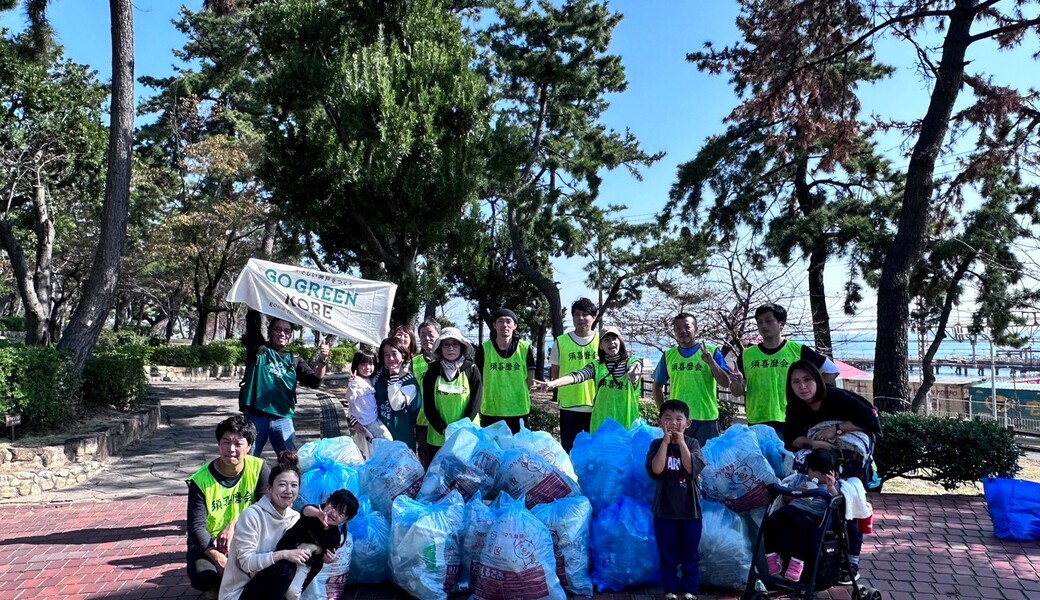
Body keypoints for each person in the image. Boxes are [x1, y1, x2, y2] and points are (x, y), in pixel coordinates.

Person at [186, 416, 271, 598]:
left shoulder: (259, 468)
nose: (231, 449)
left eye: (238, 444)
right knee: (205, 576)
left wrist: (235, 523)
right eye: (225, 442)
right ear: (218, 444)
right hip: (211, 543)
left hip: (250, 537)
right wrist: (217, 558)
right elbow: (196, 527)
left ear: (249, 447)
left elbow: (267, 505)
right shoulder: (200, 480)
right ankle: (215, 590)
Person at [729, 303, 840, 438]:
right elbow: (737, 392)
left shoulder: (797, 350)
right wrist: (736, 383)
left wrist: (813, 394)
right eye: (759, 322)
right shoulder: (747, 355)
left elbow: (832, 370)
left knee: (792, 458)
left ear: (781, 324)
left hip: (792, 418)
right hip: (757, 421)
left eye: (769, 321)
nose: (763, 325)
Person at [219, 451, 317, 599]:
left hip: (273, 587)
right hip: (240, 592)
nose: (288, 491)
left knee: (312, 559)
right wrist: (284, 554)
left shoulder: (295, 518)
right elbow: (247, 563)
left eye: (294, 485)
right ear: (269, 488)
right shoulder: (252, 516)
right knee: (285, 567)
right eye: (282, 485)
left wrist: (321, 553)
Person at [239, 310, 329, 456]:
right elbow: (253, 320)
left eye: (287, 331)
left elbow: (315, 381)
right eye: (278, 329)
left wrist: (323, 360)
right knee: (248, 461)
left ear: (290, 335)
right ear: (270, 331)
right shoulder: (258, 350)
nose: (282, 334)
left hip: (283, 419)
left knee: (290, 462)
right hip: (256, 418)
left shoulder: (294, 359)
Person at [646, 400, 705, 600]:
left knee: (690, 555)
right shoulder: (656, 444)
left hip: (691, 512)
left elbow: (691, 470)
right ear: (659, 421)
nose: (673, 423)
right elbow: (657, 470)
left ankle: (690, 590)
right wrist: (665, 443)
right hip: (664, 512)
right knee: (667, 556)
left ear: (687, 423)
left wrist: (680, 442)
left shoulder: (692, 444)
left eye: (679, 419)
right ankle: (670, 590)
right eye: (668, 419)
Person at [536, 326, 643, 433]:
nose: (611, 343)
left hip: (628, 426)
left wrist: (633, 375)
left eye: (614, 339)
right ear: (600, 345)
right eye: (606, 340)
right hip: (602, 427)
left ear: (620, 341)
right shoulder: (596, 366)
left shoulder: (632, 363)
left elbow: (635, 369)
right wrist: (552, 383)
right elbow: (576, 376)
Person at [762, 448, 845, 583]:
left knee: (803, 528)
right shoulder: (800, 479)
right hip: (793, 509)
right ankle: (772, 556)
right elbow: (787, 498)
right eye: (814, 471)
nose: (818, 476)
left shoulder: (833, 486)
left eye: (823, 473)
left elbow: (838, 504)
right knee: (772, 520)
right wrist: (798, 491)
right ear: (808, 469)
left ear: (833, 473)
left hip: (812, 516)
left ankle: (796, 563)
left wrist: (831, 488)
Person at [652, 313, 731, 448]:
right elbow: (657, 385)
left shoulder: (711, 351)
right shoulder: (668, 355)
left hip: (706, 419)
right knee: (678, 463)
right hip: (678, 421)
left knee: (707, 464)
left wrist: (712, 363)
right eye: (678, 328)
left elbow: (726, 382)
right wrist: (664, 413)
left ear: (696, 329)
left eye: (687, 327)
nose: (682, 331)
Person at [275, 489, 359, 600]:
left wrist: (328, 558)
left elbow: (325, 555)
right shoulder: (314, 512)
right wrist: (317, 513)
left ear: (346, 519)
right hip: (286, 550)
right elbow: (305, 510)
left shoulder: (334, 536)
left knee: (293, 593)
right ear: (328, 501)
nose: (334, 513)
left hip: (304, 564)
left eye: (341, 514)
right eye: (333, 507)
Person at [550, 298, 600, 452]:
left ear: (594, 317)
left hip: (596, 405)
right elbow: (555, 372)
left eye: (585, 314)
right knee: (569, 449)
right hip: (569, 405)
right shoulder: (561, 341)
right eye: (577, 314)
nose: (581, 318)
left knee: (595, 451)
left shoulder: (602, 341)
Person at [475, 308, 535, 434]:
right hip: (491, 410)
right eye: (500, 321)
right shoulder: (484, 349)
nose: (505, 325)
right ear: (494, 325)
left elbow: (531, 381)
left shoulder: (525, 348)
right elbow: (478, 380)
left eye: (508, 321)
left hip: (519, 409)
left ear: (515, 326)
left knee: (518, 450)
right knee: (492, 451)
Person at [422, 327, 483, 449]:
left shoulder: (471, 369)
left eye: (455, 344)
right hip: (439, 437)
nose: (450, 348)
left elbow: (476, 402)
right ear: (440, 348)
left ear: (462, 347)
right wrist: (443, 429)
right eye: (446, 344)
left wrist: (462, 427)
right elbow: (428, 405)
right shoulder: (432, 371)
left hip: (467, 434)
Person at [373, 336, 423, 450]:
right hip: (380, 433)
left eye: (394, 353)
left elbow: (396, 404)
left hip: (402, 437)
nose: (390, 358)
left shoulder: (410, 383)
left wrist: (394, 376)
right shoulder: (380, 376)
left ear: (403, 355)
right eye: (386, 354)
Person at [345, 348, 391, 459]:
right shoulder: (356, 381)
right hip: (367, 422)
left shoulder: (370, 380)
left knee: (372, 450)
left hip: (372, 420)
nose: (368, 368)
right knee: (389, 442)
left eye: (371, 364)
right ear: (356, 366)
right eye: (363, 364)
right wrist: (352, 384)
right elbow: (350, 400)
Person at [412, 320, 441, 467]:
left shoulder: (449, 360)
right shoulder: (414, 362)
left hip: (446, 419)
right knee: (426, 461)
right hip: (423, 421)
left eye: (430, 334)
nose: (426, 338)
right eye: (422, 335)